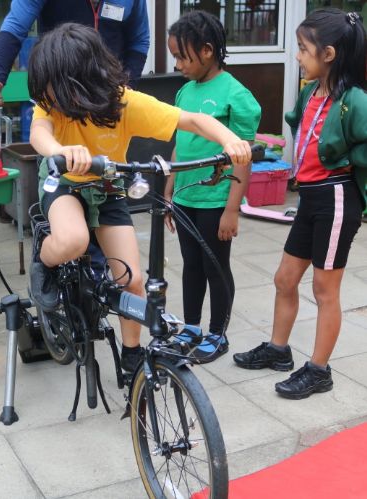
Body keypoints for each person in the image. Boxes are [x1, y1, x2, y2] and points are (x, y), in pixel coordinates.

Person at [27, 23, 253, 373]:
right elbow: (38, 133)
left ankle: (131, 353)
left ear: (79, 80)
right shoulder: (50, 105)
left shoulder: (123, 102)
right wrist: (60, 150)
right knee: (72, 240)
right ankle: (45, 259)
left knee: (131, 279)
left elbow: (192, 120)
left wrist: (229, 139)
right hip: (65, 183)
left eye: (52, 85)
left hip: (106, 188)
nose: (47, 95)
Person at [233, 8, 367, 399]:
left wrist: (347, 159)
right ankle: (278, 350)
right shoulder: (311, 91)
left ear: (329, 54)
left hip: (336, 197)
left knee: (325, 290)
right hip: (310, 196)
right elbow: (300, 126)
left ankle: (319, 371)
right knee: (285, 279)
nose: (297, 56)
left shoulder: (354, 100)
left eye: (303, 49)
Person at [164, 11, 261, 363]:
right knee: (191, 264)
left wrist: (232, 209)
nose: (177, 65)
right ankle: (191, 327)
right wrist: (170, 188)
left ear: (206, 51)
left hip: (216, 199)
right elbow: (180, 145)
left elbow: (243, 158)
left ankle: (218, 334)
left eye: (182, 56)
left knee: (215, 266)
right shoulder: (184, 91)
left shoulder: (236, 94)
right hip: (186, 195)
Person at [0, 0, 150, 111]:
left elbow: (139, 40)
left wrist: (126, 87)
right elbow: (14, 28)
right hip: (59, 93)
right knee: (57, 158)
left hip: (108, 95)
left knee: (109, 160)